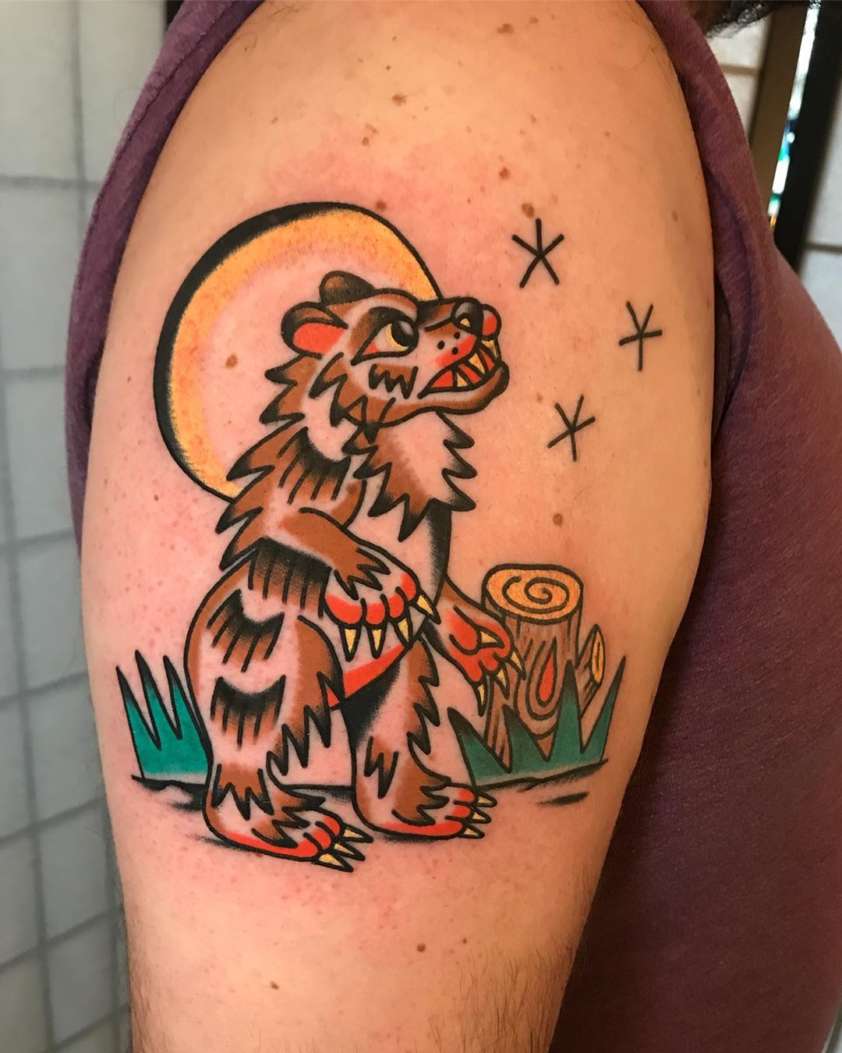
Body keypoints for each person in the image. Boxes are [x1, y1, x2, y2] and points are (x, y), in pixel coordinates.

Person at [67, 2, 842, 1050]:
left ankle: (391, 786)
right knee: (270, 650)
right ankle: (247, 792)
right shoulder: (467, 61)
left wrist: (447, 618)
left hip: (370, 646)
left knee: (409, 665)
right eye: (404, 333)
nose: (449, 330)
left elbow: (414, 590)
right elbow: (287, 550)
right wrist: (352, 566)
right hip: (287, 633)